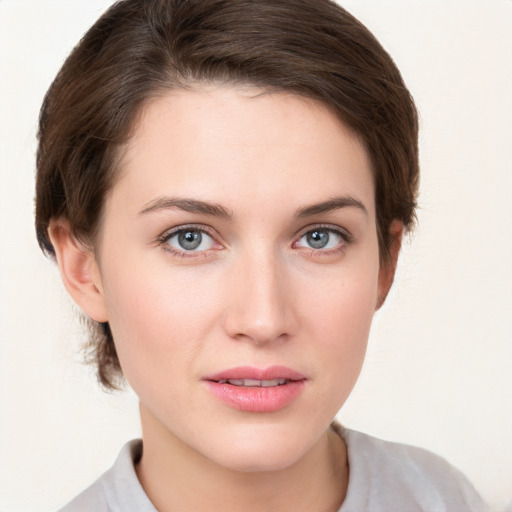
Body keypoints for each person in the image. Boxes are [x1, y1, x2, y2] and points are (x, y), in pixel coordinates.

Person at [34, 0, 486, 510]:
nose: (264, 319)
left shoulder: (447, 498)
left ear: (386, 262)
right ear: (83, 267)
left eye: (320, 237)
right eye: (189, 238)